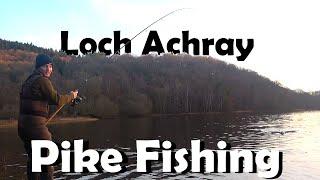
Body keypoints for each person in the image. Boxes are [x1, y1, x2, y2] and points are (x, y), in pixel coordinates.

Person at [18, 54, 78, 180]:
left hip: (23, 128)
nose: (49, 69)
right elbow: (56, 99)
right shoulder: (42, 80)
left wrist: (69, 100)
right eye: (46, 66)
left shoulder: (28, 81)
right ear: (39, 67)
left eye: (50, 66)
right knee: (47, 161)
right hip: (36, 129)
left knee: (34, 161)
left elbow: (43, 99)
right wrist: (71, 96)